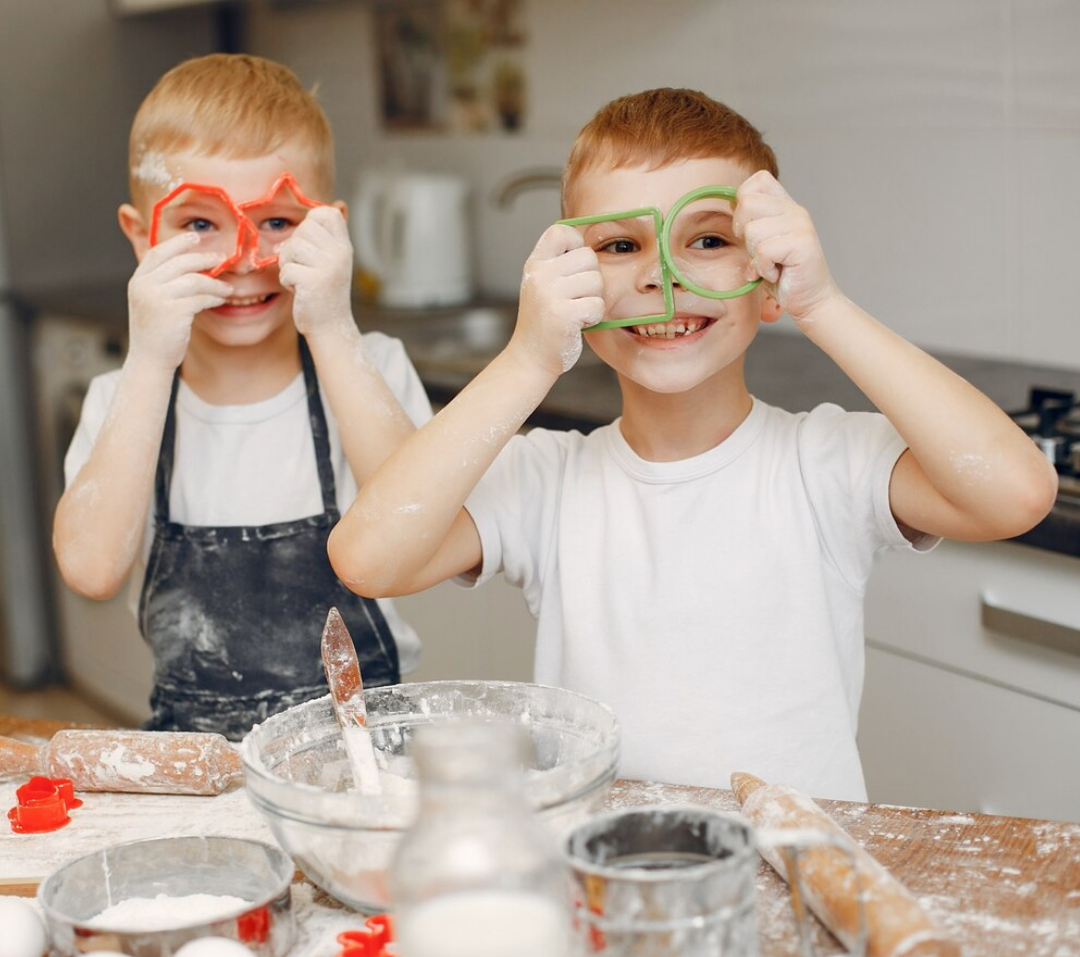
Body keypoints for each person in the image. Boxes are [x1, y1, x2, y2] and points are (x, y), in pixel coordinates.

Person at [328, 88, 1058, 801]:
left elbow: (1016, 493)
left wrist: (823, 305)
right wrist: (527, 358)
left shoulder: (825, 464)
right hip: (603, 871)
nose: (660, 275)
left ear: (766, 278)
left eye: (707, 240)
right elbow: (370, 559)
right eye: (620, 245)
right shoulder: (546, 480)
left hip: (796, 872)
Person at [54, 54, 431, 739]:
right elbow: (91, 567)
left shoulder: (371, 369)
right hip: (198, 754)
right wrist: (147, 363)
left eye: (279, 223)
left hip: (365, 753)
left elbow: (420, 532)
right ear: (142, 239)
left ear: (332, 231)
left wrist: (334, 329)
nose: (244, 258)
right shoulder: (124, 398)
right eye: (199, 224)